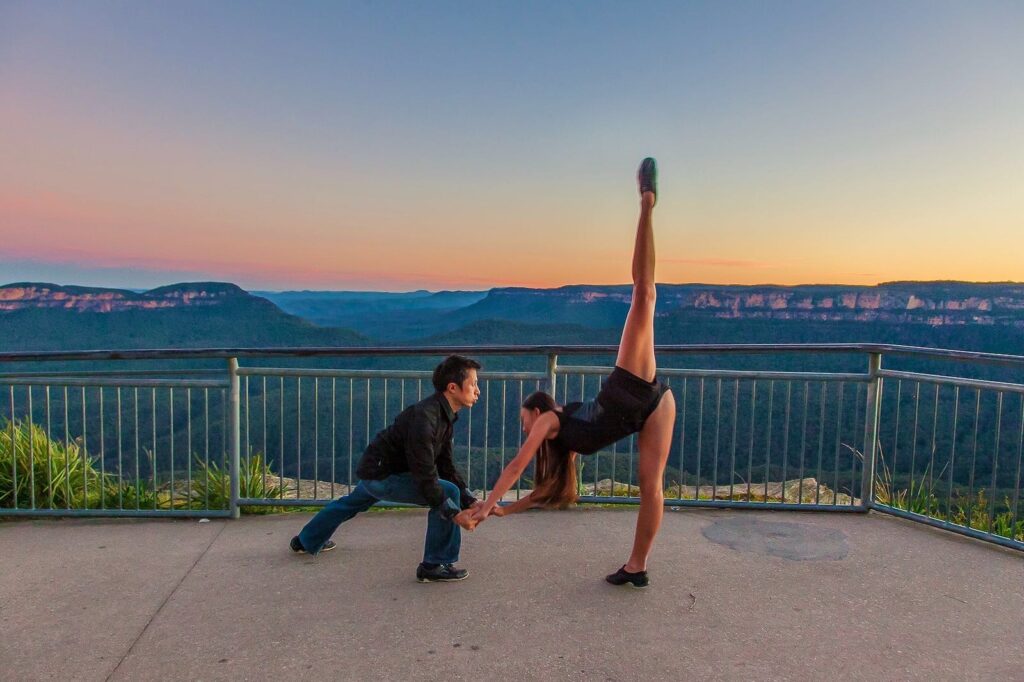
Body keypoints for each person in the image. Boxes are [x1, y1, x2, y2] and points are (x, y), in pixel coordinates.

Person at [465, 158, 677, 588]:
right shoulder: (562, 437)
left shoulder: (550, 421)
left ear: (536, 412)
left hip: (630, 389)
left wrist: (488, 505)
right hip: (654, 405)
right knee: (650, 488)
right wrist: (507, 510)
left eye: (523, 420)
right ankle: (637, 567)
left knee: (644, 294)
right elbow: (542, 491)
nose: (524, 427)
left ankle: (647, 203)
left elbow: (514, 467)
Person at [291, 354, 483, 583]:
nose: (477, 390)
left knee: (352, 503)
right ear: (453, 387)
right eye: (473, 384)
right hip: (384, 476)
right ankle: (434, 564)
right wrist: (454, 512)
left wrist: (469, 499)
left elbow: (445, 464)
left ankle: (305, 540)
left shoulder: (441, 415)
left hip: (377, 471)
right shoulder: (426, 419)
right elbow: (426, 476)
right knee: (447, 492)